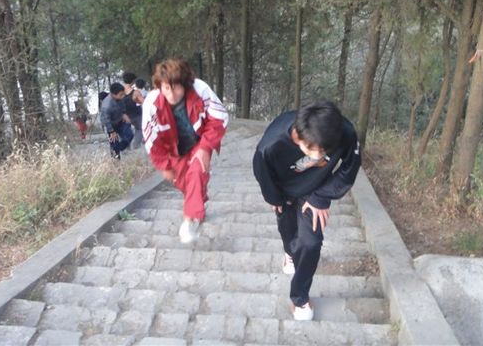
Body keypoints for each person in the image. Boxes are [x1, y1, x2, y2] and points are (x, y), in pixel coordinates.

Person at [252, 101, 361, 321]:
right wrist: (274, 197)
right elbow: (262, 171)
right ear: (297, 136)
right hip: (284, 188)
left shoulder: (343, 131)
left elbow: (350, 168)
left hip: (317, 189)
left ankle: (299, 298)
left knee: (310, 243)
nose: (317, 156)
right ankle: (290, 253)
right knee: (288, 229)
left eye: (324, 150)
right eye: (311, 149)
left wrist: (321, 197)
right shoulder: (271, 145)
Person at [142, 58, 228, 243]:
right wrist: (164, 166)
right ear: (160, 86)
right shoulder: (152, 104)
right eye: (166, 88)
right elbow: (151, 140)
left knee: (197, 171)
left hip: (199, 143)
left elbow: (219, 117)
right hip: (174, 150)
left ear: (185, 84)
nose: (172, 94)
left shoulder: (200, 89)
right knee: (185, 184)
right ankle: (198, 204)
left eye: (177, 88)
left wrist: (205, 147)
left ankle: (189, 220)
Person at [100, 83, 134, 159]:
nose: (123, 96)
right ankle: (115, 157)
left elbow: (123, 107)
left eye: (123, 94)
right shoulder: (107, 105)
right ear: (113, 94)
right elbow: (106, 120)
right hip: (110, 125)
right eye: (121, 95)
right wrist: (111, 131)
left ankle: (119, 148)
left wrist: (124, 114)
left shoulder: (120, 98)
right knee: (114, 142)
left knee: (129, 135)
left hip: (120, 121)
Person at [122, 72, 144, 149]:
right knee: (140, 129)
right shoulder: (135, 92)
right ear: (132, 81)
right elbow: (144, 102)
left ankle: (126, 149)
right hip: (136, 115)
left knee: (124, 133)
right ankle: (135, 146)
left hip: (124, 116)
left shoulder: (119, 92)